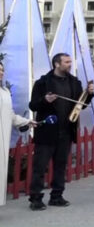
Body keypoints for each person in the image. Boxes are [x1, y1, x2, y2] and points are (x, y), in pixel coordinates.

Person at [28, 53, 94, 211]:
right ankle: (35, 198)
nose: (69, 64)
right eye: (66, 62)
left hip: (66, 131)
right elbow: (33, 105)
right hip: (46, 132)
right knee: (40, 166)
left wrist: (89, 95)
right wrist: (45, 101)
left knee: (60, 166)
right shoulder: (43, 82)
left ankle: (56, 196)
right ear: (57, 64)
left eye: (70, 61)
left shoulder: (74, 82)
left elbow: (80, 106)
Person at [1, 61, 36, 207]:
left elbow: (11, 115)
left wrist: (27, 121)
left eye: (2, 70)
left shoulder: (5, 92)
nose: (1, 72)